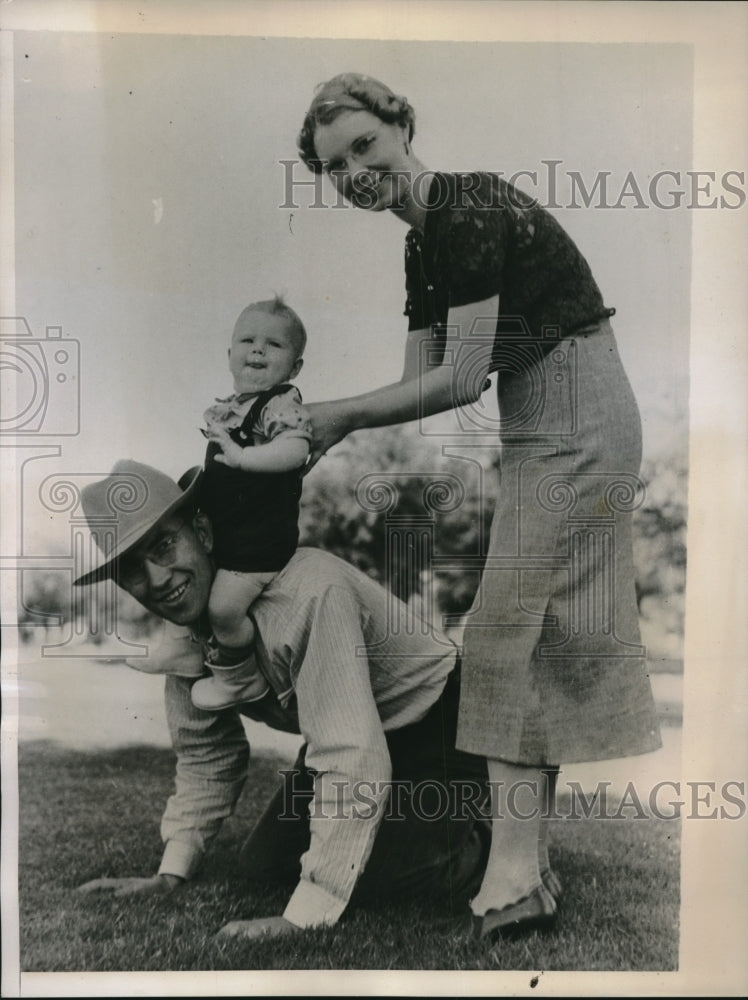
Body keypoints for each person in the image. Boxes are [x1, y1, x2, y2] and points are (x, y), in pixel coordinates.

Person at [296, 72, 663, 939]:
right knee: (523, 637)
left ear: (401, 125)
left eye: (364, 146)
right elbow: (421, 378)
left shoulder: (464, 207)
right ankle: (521, 874)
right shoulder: (424, 243)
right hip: (539, 420)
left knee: (505, 633)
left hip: (577, 408)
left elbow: (458, 379)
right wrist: (318, 422)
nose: (354, 170)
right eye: (332, 164)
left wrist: (338, 417)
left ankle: (514, 878)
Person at [72, 460, 489, 942]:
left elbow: (349, 754)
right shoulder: (186, 626)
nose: (158, 578)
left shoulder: (306, 592)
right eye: (130, 569)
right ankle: (416, 825)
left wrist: (305, 915)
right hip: (359, 734)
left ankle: (487, 835)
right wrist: (172, 872)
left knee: (384, 881)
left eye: (164, 545)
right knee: (264, 869)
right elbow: (208, 752)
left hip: (441, 720)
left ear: (202, 531)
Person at [194, 295, 311, 711]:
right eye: (247, 340)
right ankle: (184, 647)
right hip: (227, 532)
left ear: (294, 367)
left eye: (274, 345)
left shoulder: (279, 404)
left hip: (257, 542)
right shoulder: (229, 411)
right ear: (230, 355)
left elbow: (296, 449)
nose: (258, 349)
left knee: (224, 608)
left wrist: (245, 457)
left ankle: (241, 677)